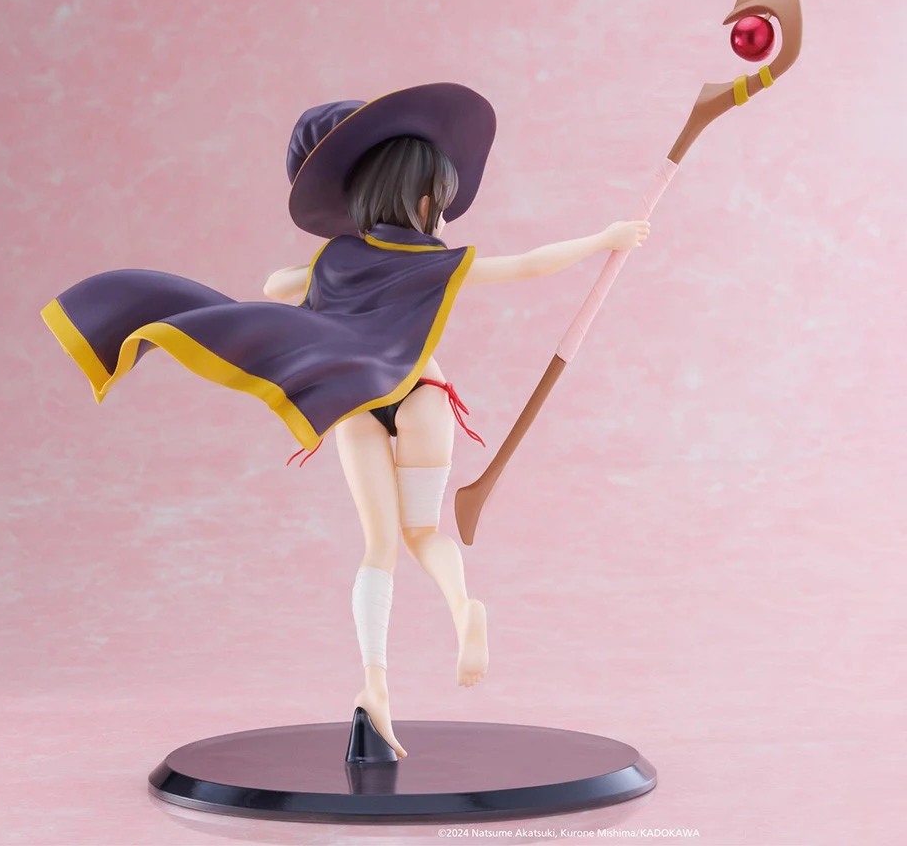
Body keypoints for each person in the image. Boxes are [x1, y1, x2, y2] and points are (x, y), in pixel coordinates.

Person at [40, 82, 649, 760]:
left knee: (377, 547)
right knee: (424, 532)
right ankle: (462, 609)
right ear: (419, 199)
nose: (442, 213)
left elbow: (274, 287)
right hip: (422, 394)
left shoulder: (334, 260)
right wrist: (604, 239)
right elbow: (527, 266)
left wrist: (311, 280)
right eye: (438, 199)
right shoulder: (435, 261)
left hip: (358, 406)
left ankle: (374, 687)